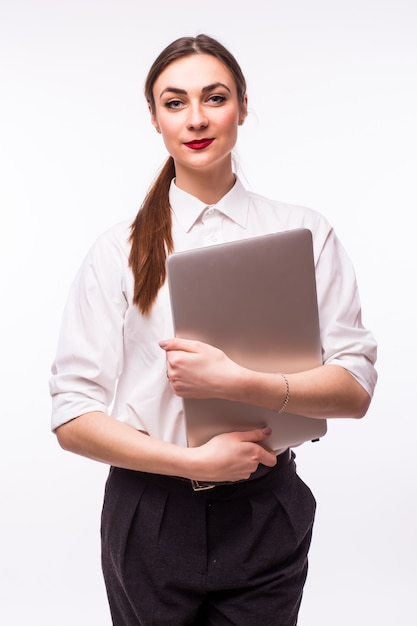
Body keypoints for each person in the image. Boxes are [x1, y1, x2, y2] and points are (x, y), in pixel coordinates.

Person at [50, 34, 377, 625]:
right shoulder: (117, 251)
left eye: (215, 97)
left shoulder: (304, 232)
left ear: (243, 106)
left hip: (263, 506)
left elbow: (355, 389)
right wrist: (193, 465)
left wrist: (241, 381)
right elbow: (72, 417)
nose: (196, 118)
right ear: (154, 118)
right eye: (174, 103)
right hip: (150, 512)